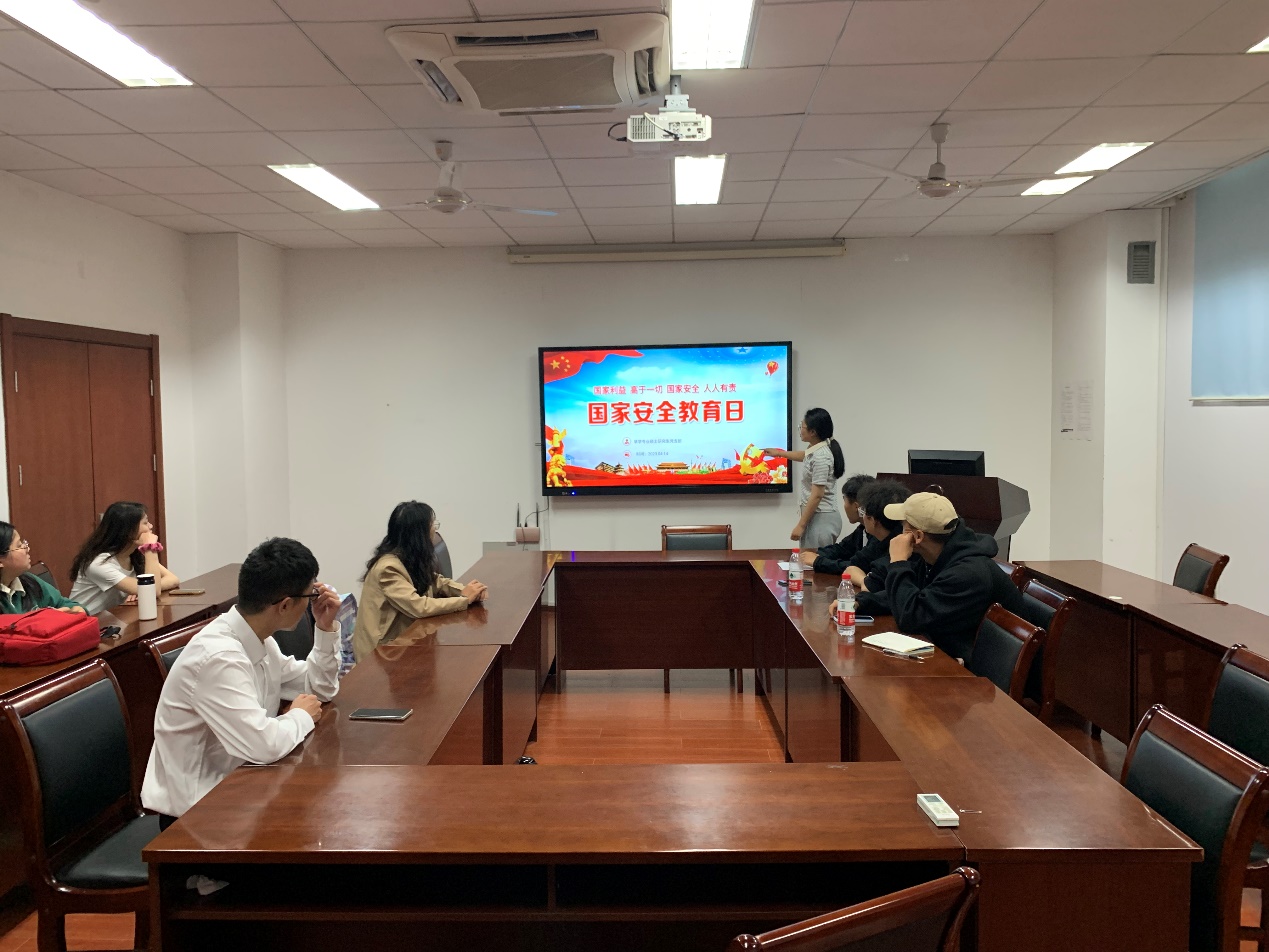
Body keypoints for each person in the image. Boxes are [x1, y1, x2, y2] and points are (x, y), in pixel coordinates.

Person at [142, 537, 341, 827]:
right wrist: (299, 715)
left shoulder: (258, 638)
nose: (315, 600)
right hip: (197, 817)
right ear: (285, 605)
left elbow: (319, 688)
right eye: (311, 595)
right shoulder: (218, 657)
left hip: (241, 791)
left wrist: (324, 628)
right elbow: (263, 745)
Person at [879, 492, 1027, 660]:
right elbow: (913, 596)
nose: (899, 533)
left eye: (903, 526)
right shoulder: (938, 557)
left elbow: (910, 618)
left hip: (977, 669)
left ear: (917, 536)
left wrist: (898, 561)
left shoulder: (967, 574)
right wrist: (861, 602)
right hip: (952, 650)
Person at [352, 501, 488, 662]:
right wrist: (464, 600)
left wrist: (466, 590)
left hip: (402, 641)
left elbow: (435, 580)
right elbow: (418, 607)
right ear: (419, 533)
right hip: (381, 654)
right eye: (432, 525)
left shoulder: (409, 557)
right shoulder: (388, 568)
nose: (435, 529)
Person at [68, 501, 180, 615]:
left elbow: (173, 579)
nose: (151, 526)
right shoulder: (99, 563)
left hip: (114, 618)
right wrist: (150, 548)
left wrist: (143, 589)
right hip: (87, 621)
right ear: (128, 530)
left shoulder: (134, 554)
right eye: (145, 523)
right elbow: (153, 591)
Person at [764, 408, 845, 550]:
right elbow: (805, 456)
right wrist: (779, 453)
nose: (800, 430)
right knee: (808, 559)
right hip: (816, 517)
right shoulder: (816, 450)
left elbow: (817, 495)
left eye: (802, 427)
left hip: (821, 519)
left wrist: (800, 525)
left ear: (813, 432)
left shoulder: (821, 457)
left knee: (812, 561)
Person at [0, 522, 86, 615]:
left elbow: (64, 603)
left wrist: (76, 609)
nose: (27, 549)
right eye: (19, 545)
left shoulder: (29, 581)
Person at [807, 474, 875, 572]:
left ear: (856, 506)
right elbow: (842, 549)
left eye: (844, 500)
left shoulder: (879, 534)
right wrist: (817, 554)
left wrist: (818, 561)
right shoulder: (862, 529)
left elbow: (857, 566)